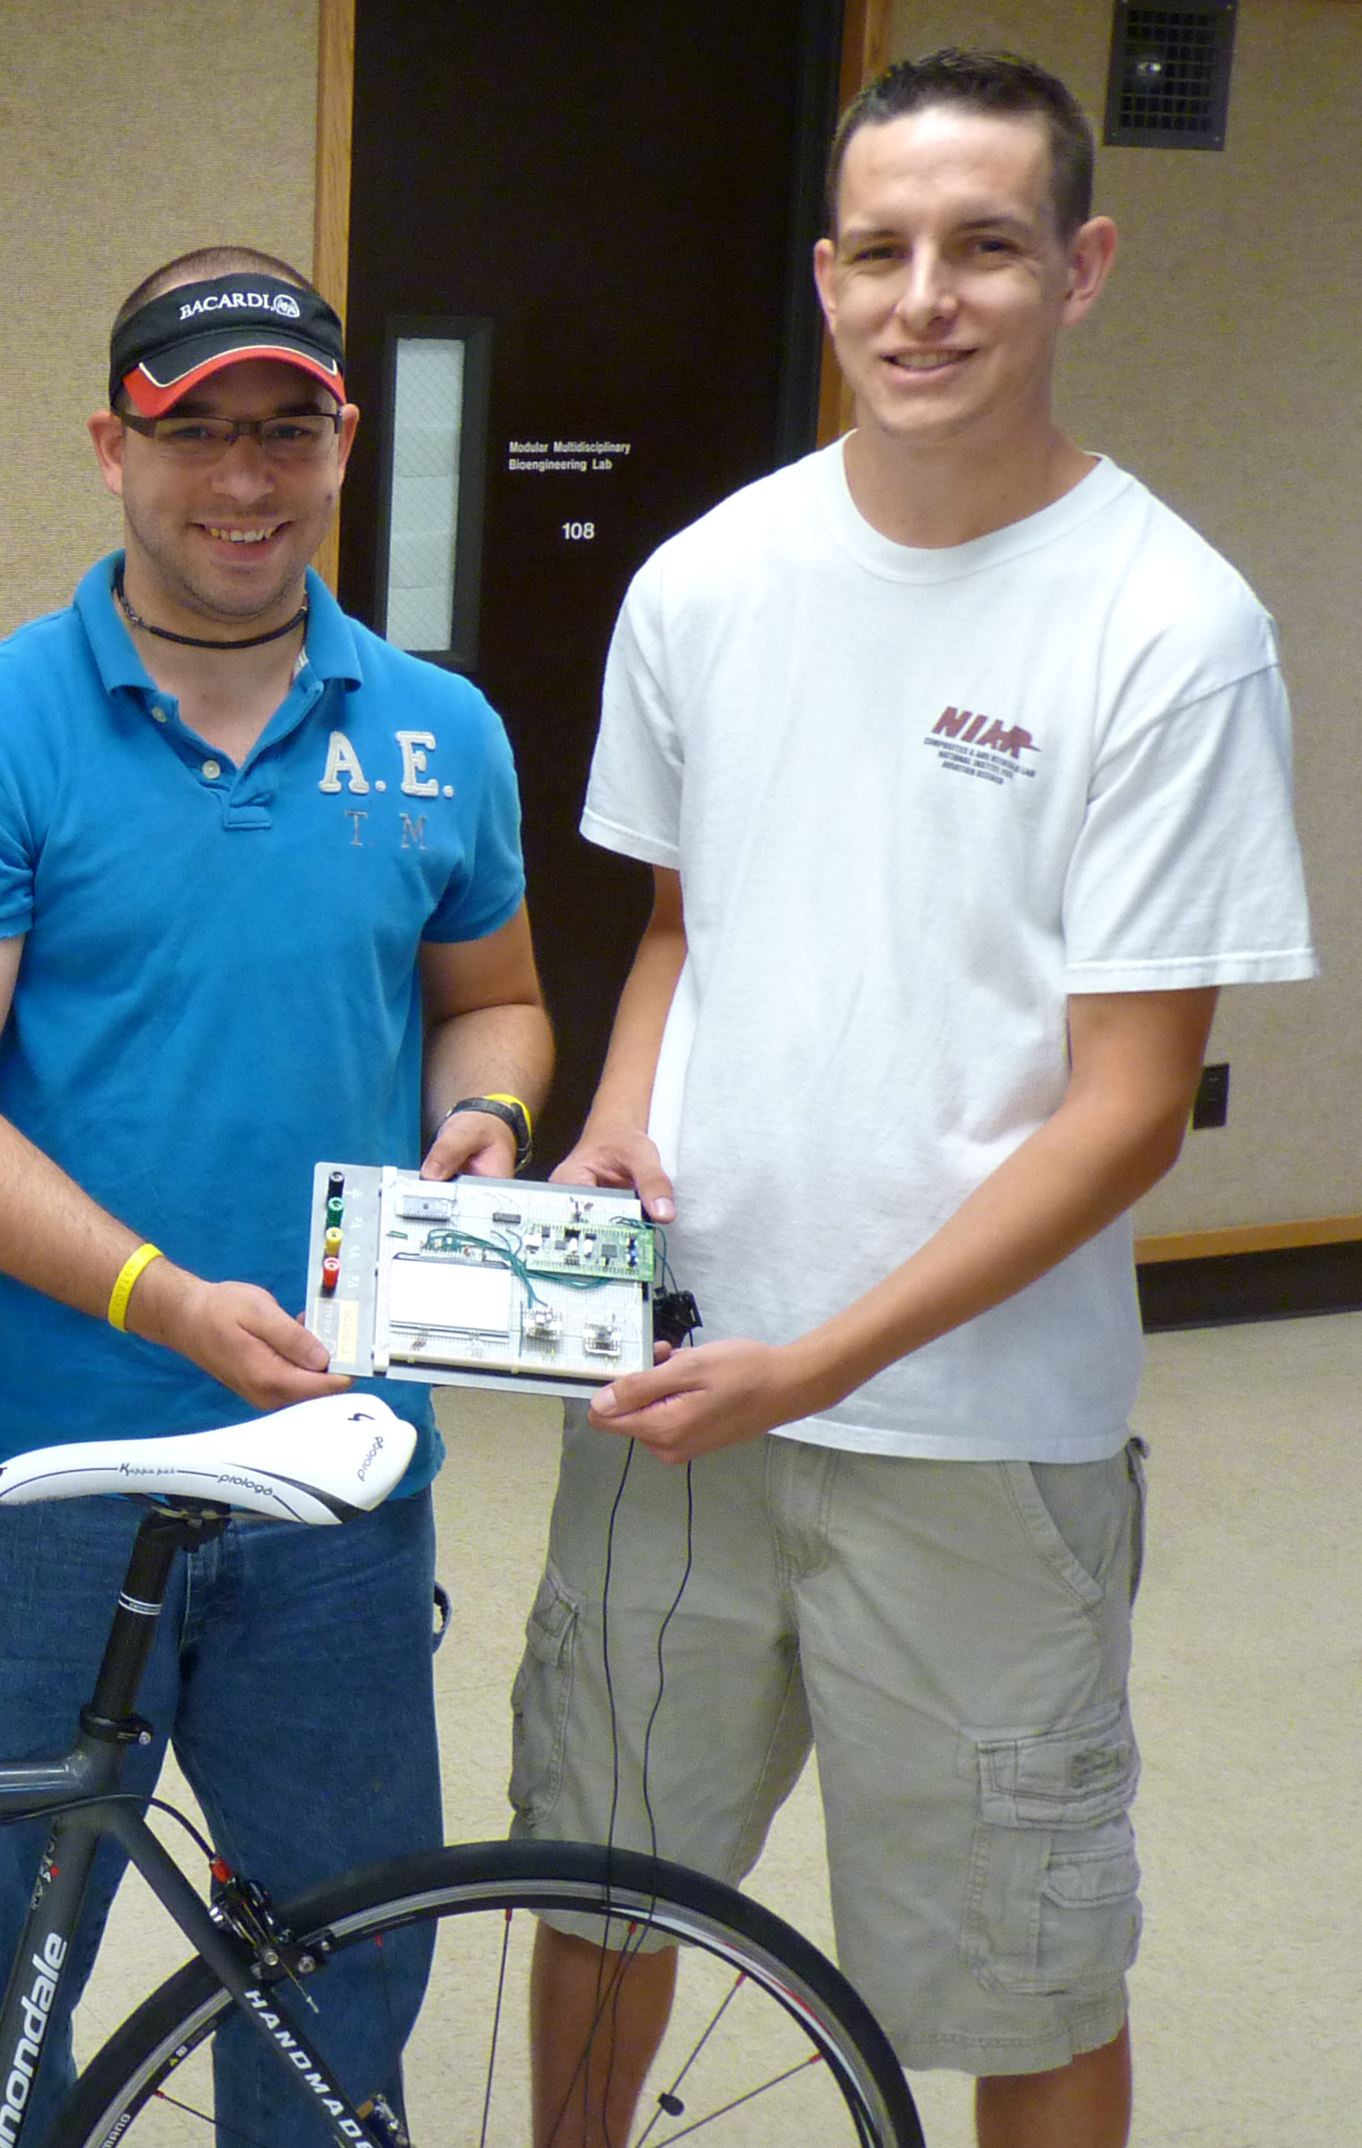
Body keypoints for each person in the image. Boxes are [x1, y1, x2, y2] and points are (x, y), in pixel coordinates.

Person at [510, 51, 1315, 2148]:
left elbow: (1129, 1108)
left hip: (974, 1437)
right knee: (597, 1877)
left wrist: (827, 1357)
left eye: (985, 246)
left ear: (1084, 266)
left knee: (1019, 1965)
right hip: (685, 1390)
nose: (925, 297)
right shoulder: (707, 581)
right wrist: (618, 1120)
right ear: (827, 274)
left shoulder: (1169, 627)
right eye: (882, 250)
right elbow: (686, 929)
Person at [0, 246, 552, 2148]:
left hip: (335, 1471)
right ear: (112, 447)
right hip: (35, 1476)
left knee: (340, 1958)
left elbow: (493, 1000)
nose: (245, 481)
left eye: (287, 432)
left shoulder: (439, 730)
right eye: (197, 434)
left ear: (340, 444)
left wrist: (485, 1115)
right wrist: (160, 1301)